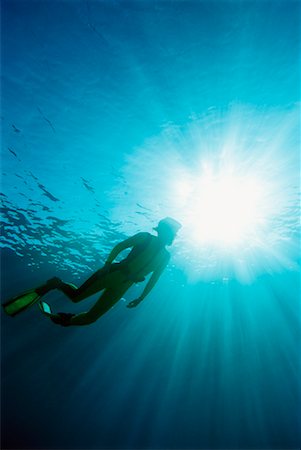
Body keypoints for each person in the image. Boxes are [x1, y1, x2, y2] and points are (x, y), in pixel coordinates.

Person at [4, 217, 181, 326]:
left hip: (125, 285)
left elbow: (154, 279)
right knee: (76, 297)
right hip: (113, 273)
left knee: (91, 318)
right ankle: (56, 284)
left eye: (170, 232)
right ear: (162, 230)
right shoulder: (145, 237)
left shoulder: (166, 257)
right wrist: (107, 264)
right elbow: (120, 246)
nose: (168, 234)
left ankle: (64, 319)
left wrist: (141, 298)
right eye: (168, 230)